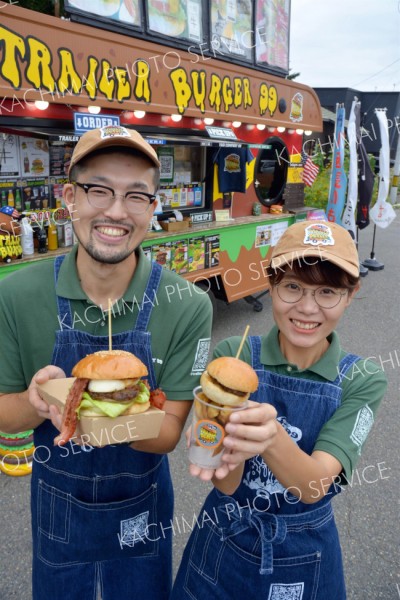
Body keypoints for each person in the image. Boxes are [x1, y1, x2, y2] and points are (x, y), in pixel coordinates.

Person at [0, 125, 212, 600]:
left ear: (154, 208)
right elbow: (3, 411)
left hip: (143, 508)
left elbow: (170, 432)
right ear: (69, 197)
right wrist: (37, 403)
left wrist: (107, 415)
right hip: (58, 507)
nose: (116, 212)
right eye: (99, 190)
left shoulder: (188, 305)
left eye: (136, 196)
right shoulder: (14, 295)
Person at [171, 220, 387, 600]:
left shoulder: (362, 379)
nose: (307, 308)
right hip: (222, 540)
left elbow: (315, 486)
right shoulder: (231, 361)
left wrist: (271, 437)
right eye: (292, 287)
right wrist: (219, 446)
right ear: (270, 285)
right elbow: (226, 482)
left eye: (327, 291)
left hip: (304, 553)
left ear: (351, 294)